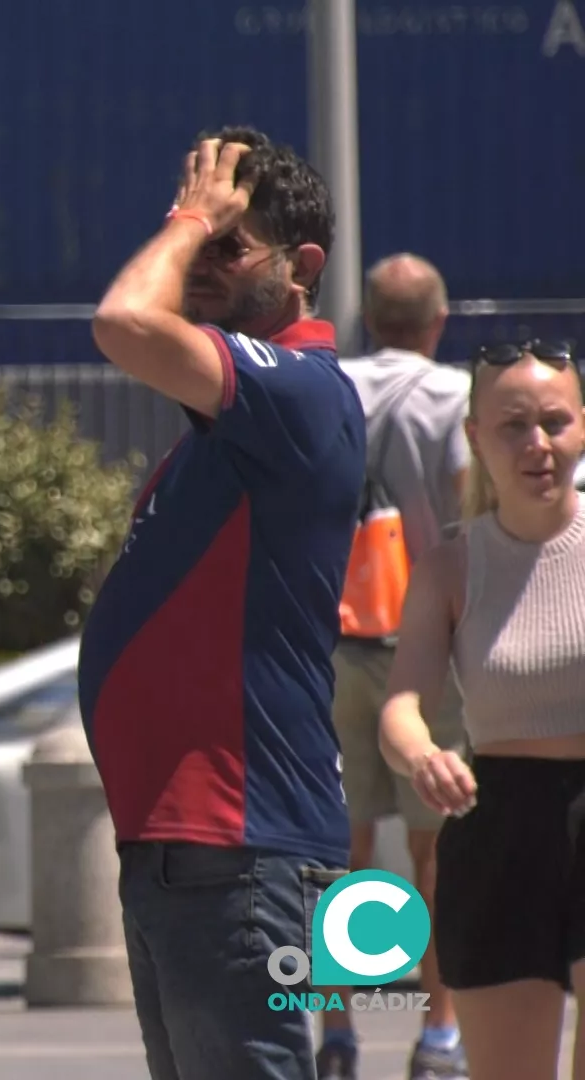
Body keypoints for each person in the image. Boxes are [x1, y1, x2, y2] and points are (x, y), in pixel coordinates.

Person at [79, 126, 365, 1080]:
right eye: (193, 244)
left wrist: (188, 212)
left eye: (226, 246)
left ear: (303, 268)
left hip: (237, 856)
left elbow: (124, 323)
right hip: (190, 854)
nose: (197, 262)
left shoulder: (305, 393)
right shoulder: (222, 433)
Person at [377, 339, 585, 1080]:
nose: (538, 444)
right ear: (473, 437)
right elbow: (403, 704)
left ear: (584, 426)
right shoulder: (451, 567)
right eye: (512, 425)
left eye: (555, 422)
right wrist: (423, 754)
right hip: (498, 826)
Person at [323, 253, 471, 1080]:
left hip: (336, 642)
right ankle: (439, 1031)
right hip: (432, 652)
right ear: (438, 321)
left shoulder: (333, 387)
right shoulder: (454, 398)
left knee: (342, 850)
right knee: (434, 849)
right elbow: (470, 510)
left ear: (369, 321)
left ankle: (338, 1031)